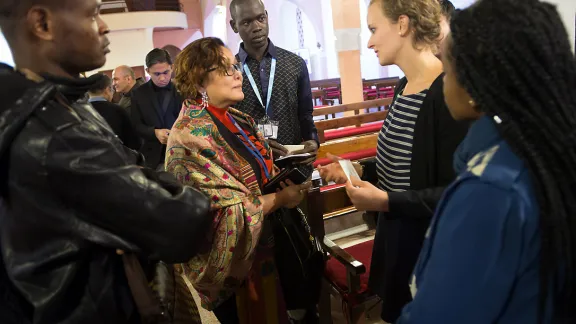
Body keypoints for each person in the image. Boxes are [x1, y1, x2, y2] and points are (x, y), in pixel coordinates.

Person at [0, 0, 211, 323]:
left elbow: (132, 167)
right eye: (93, 13)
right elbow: (182, 222)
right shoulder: (56, 135)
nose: (104, 25)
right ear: (42, 24)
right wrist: (162, 184)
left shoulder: (62, 102)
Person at [396, 0, 576, 323]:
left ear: (474, 89)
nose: (442, 82)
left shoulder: (490, 191)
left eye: (446, 70)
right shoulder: (550, 151)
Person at [318, 0, 469, 322]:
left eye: (373, 29)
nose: (369, 41)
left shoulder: (448, 92)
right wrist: (357, 169)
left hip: (429, 246)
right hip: (398, 237)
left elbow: (460, 194)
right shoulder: (404, 86)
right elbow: (408, 162)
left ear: (402, 25)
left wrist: (386, 200)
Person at [165, 37, 312, 324]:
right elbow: (220, 211)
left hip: (269, 244)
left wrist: (279, 166)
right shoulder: (188, 137)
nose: (237, 73)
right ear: (198, 82)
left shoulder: (235, 117)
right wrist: (280, 199)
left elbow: (249, 170)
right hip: (236, 268)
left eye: (235, 66)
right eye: (225, 69)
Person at [229, 0, 319, 175]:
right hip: (252, 169)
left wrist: (312, 141)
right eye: (246, 22)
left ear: (267, 17)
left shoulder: (295, 64)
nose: (257, 27)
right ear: (234, 26)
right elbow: (227, 125)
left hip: (295, 163)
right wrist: (255, 144)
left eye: (260, 18)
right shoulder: (230, 71)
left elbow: (306, 113)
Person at [131, 48, 183, 170]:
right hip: (153, 157)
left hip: (182, 152)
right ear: (147, 71)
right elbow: (135, 125)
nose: (162, 78)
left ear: (172, 67)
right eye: (157, 74)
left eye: (166, 72)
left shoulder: (183, 89)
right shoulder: (139, 93)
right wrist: (154, 132)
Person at [88, 73, 141, 150]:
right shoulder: (118, 111)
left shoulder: (78, 111)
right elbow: (134, 143)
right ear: (107, 90)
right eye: (112, 89)